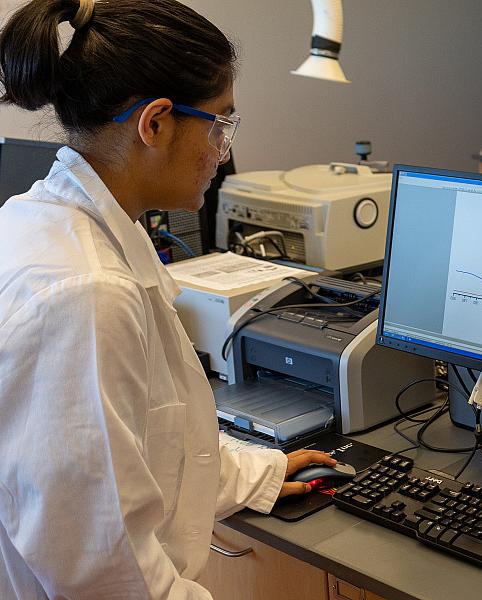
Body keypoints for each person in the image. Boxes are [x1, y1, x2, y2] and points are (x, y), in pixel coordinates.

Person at [0, 0, 336, 597]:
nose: (224, 152)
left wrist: (254, 472)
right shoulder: (86, 295)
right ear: (154, 123)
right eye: (220, 124)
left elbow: (141, 444)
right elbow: (107, 577)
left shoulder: (47, 219)